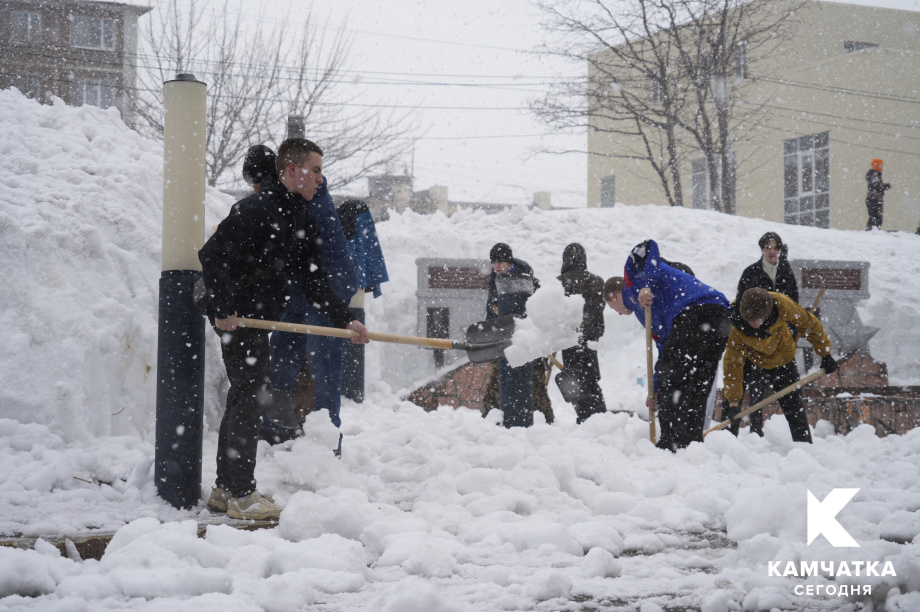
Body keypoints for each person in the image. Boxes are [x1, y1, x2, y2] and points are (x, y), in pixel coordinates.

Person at [198, 138, 369, 520]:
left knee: (245, 394)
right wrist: (223, 309)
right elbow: (212, 256)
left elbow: (312, 280)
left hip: (254, 317)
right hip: (239, 317)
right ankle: (242, 494)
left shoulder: (297, 216)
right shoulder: (257, 209)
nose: (321, 180)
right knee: (251, 395)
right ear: (293, 170)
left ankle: (227, 490)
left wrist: (345, 319)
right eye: (317, 170)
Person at [604, 239, 730, 451]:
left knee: (676, 383)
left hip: (695, 311)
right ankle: (691, 445)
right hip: (719, 319)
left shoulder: (631, 278)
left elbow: (646, 247)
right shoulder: (644, 312)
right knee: (697, 384)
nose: (617, 312)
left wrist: (645, 285)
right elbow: (665, 348)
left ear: (613, 295)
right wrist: (655, 388)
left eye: (612, 306)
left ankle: (671, 442)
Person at [269, 172, 358, 455]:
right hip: (299, 291)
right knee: (280, 360)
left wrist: (341, 316)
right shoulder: (287, 200)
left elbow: (312, 268)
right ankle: (272, 436)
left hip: (326, 293)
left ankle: (326, 445)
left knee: (324, 368)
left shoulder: (312, 201)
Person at [723, 288, 838, 443]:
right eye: (750, 321)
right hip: (752, 358)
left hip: (782, 357)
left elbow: (809, 324)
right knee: (731, 410)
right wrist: (733, 402)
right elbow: (732, 363)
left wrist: (825, 353)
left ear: (766, 312)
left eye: (757, 320)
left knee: (793, 406)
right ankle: (726, 447)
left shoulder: (782, 304)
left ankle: (803, 446)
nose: (753, 324)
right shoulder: (736, 325)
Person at [729, 232, 800, 436]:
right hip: (753, 340)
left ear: (780, 250)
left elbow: (794, 304)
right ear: (761, 249)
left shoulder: (787, 272)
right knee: (753, 387)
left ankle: (802, 441)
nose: (772, 251)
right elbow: (740, 308)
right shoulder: (750, 272)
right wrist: (751, 333)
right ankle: (741, 434)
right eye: (768, 247)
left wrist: (791, 333)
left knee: (791, 394)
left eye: (775, 247)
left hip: (781, 342)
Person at [480, 243, 548, 427]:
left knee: (533, 386)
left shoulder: (524, 278)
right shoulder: (496, 279)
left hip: (525, 339)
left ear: (509, 261)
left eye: (500, 261)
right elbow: (491, 307)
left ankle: (545, 422)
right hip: (503, 339)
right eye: (493, 262)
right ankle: (494, 421)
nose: (497, 266)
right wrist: (489, 331)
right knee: (500, 385)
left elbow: (534, 310)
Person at [336, 199, 390, 403]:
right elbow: (371, 255)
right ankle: (352, 392)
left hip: (339, 296)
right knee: (353, 341)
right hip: (353, 292)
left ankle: (346, 391)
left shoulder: (338, 228)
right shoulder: (361, 221)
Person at [556, 243, 607, 424]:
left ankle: (587, 415)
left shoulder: (559, 283)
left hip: (570, 338)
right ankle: (597, 414)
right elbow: (601, 305)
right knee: (591, 376)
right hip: (592, 337)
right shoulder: (598, 281)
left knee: (575, 379)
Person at [865, 158, 891, 230]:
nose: (882, 167)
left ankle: (873, 230)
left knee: (875, 217)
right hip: (874, 199)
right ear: (877, 165)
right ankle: (873, 231)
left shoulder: (874, 174)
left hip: (873, 198)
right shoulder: (874, 174)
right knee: (876, 217)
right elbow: (877, 186)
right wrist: (886, 186)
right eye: (881, 165)